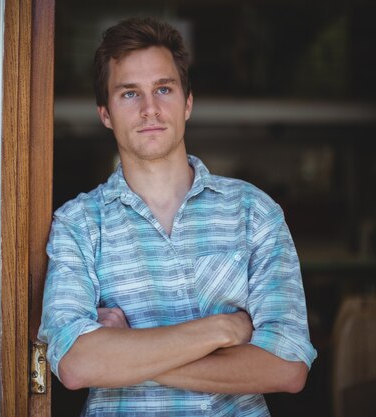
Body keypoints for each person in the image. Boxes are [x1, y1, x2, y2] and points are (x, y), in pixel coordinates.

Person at [39, 17, 317, 416]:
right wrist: (221, 330)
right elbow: (76, 364)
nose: (150, 109)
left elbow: (287, 367)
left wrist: (127, 354)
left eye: (163, 89)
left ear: (187, 103)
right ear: (105, 113)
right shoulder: (78, 224)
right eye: (129, 93)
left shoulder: (253, 212)